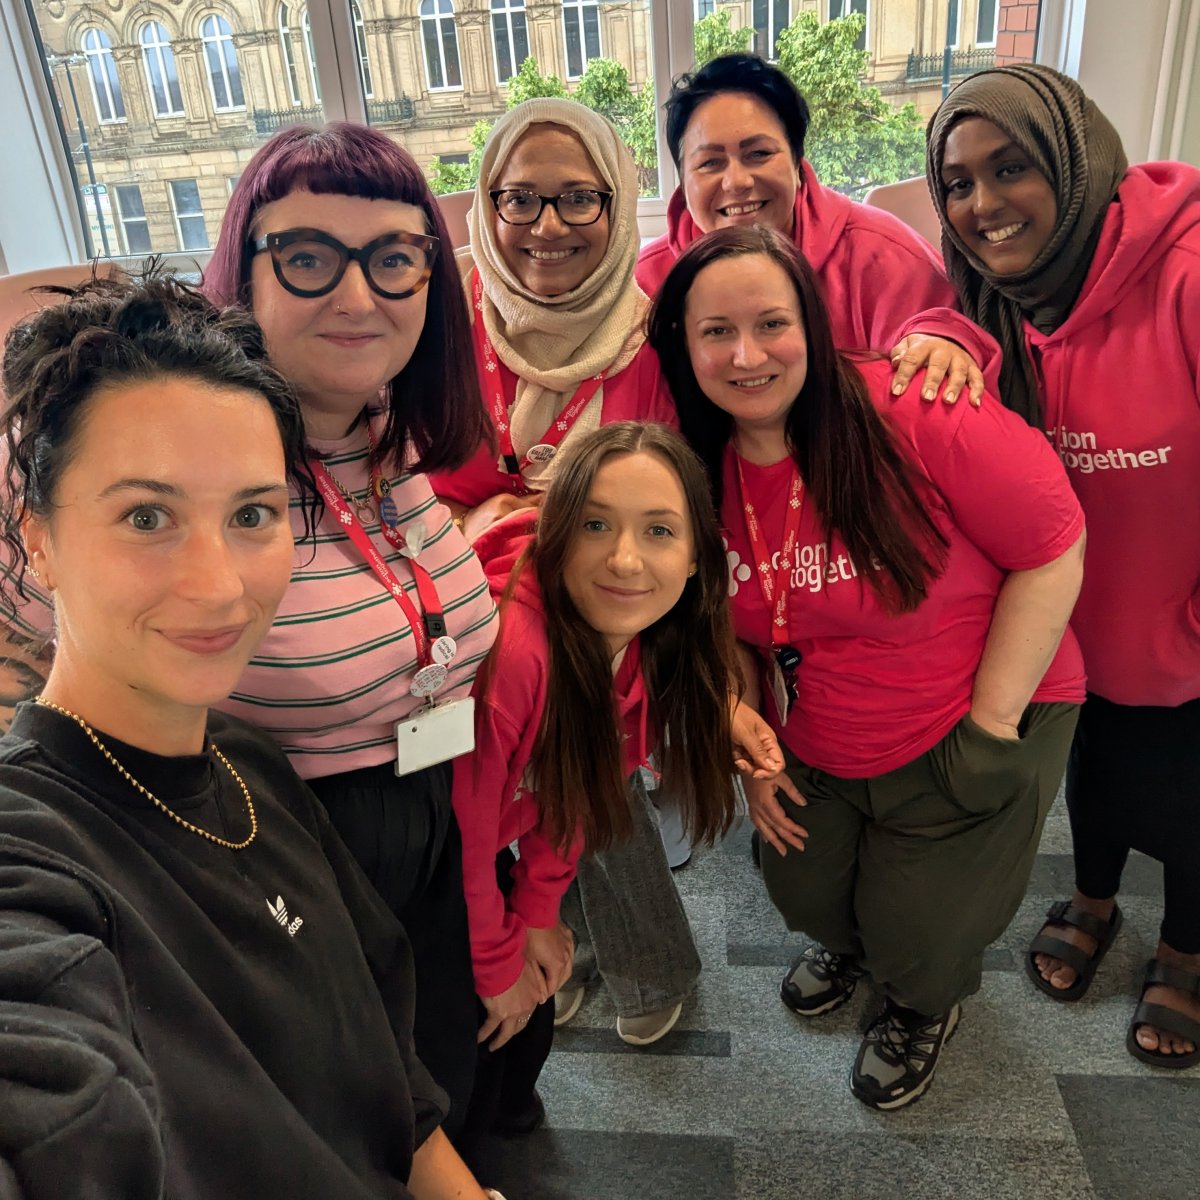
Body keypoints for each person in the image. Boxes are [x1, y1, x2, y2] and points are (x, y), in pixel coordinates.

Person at [0, 124, 499, 1145]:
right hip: (246, 843)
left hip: (414, 813)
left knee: (423, 1094)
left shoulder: (386, 435)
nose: (357, 295)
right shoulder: (122, 443)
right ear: (245, 268)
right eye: (309, 257)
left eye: (394, 258)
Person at [648, 223, 1087, 1110]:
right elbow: (726, 627)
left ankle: (921, 1003)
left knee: (920, 937)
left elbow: (1053, 548)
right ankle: (853, 946)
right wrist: (748, 739)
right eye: (715, 332)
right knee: (800, 885)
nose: (746, 356)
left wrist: (992, 728)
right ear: (683, 348)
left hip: (971, 711)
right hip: (818, 729)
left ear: (811, 324)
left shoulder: (916, 410)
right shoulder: (695, 468)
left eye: (772, 324)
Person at [927, 64, 1200, 1069]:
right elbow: (946, 326)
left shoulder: (1187, 273)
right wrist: (936, 335)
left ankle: (1186, 947)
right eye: (958, 183)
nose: (983, 205)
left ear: (1074, 161)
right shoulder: (1001, 294)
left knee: (1192, 798)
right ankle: (1092, 897)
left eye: (1012, 169)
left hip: (1186, 628)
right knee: (1098, 772)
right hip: (1078, 631)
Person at [452, 421, 741, 1132]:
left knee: (522, 1051)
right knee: (471, 1060)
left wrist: (538, 912)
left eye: (659, 531)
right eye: (595, 524)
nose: (625, 559)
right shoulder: (514, 658)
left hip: (482, 856)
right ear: (557, 534)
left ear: (698, 557)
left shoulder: (638, 641)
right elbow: (464, 833)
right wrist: (497, 961)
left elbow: (580, 792)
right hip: (423, 865)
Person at [637, 52, 998, 404]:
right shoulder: (644, 287)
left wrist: (946, 339)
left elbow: (952, 355)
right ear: (682, 180)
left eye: (759, 154)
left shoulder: (886, 259)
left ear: (797, 162)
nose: (737, 181)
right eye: (710, 162)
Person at [430, 98, 675, 539]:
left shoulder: (660, 343)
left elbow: (675, 513)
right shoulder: (435, 321)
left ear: (618, 207)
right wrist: (463, 523)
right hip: (447, 577)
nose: (548, 227)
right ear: (488, 209)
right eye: (519, 200)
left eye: (580, 199)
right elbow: (380, 488)